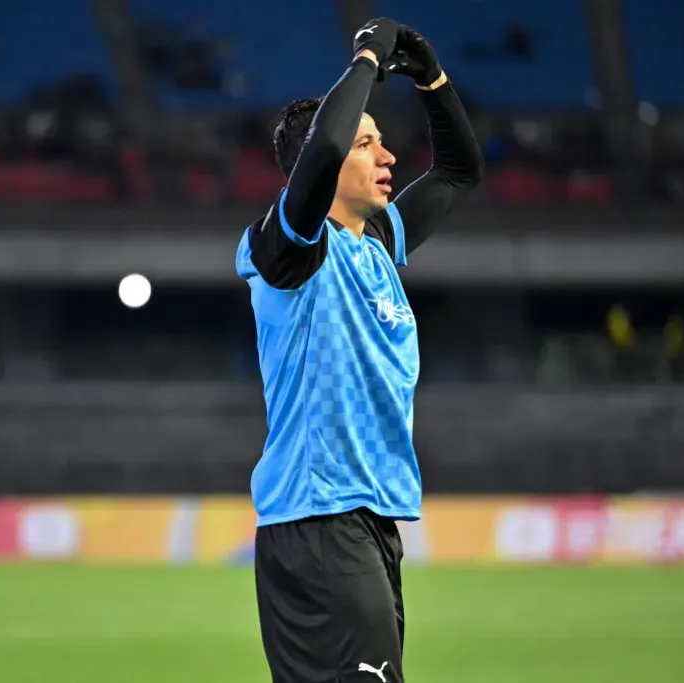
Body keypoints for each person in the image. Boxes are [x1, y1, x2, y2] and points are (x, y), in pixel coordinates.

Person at [235, 17, 483, 683]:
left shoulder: (374, 241)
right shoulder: (287, 249)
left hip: (367, 520)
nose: (388, 157)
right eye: (367, 143)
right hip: (319, 518)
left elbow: (460, 170)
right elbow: (318, 155)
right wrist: (369, 57)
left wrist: (430, 76)